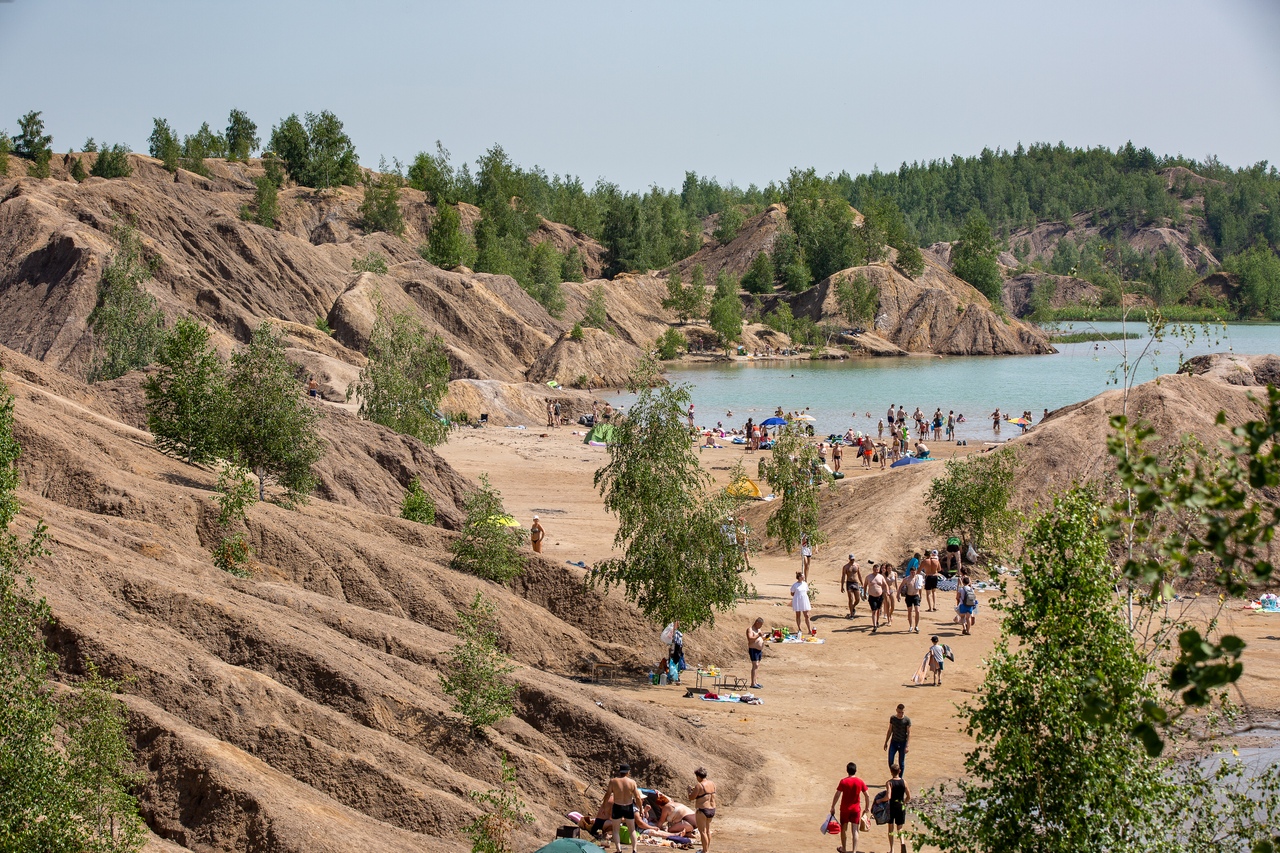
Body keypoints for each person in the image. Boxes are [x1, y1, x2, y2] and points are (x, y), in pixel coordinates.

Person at [830, 762, 869, 853]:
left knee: (844, 829)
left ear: (847, 771)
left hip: (844, 809)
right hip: (855, 809)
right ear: (856, 770)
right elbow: (867, 795)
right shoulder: (860, 781)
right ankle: (854, 851)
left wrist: (833, 806)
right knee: (855, 830)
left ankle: (844, 848)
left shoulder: (843, 781)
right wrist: (867, 807)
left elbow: (837, 795)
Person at [604, 764, 642, 853]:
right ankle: (634, 850)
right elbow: (638, 797)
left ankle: (618, 850)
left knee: (616, 829)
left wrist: (605, 806)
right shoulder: (632, 782)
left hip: (617, 806)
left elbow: (608, 794)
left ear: (620, 772)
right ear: (628, 772)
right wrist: (641, 809)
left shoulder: (613, 781)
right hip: (628, 806)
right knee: (631, 829)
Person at [884, 763, 912, 853]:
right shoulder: (904, 782)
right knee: (900, 827)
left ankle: (892, 850)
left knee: (890, 828)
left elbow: (888, 796)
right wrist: (903, 803)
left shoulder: (889, 783)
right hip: (900, 806)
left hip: (891, 807)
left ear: (891, 772)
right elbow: (908, 796)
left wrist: (880, 800)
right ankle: (902, 842)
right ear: (899, 771)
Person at [688, 768, 716, 853]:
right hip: (712, 809)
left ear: (698, 776)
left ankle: (704, 851)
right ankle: (706, 849)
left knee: (703, 832)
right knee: (707, 831)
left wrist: (689, 790)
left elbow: (691, 797)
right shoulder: (712, 783)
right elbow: (705, 794)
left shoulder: (699, 785)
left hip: (703, 810)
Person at [883, 704, 911, 775]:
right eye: (899, 712)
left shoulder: (907, 720)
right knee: (890, 760)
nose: (900, 714)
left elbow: (909, 733)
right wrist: (886, 742)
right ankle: (894, 775)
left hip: (902, 743)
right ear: (896, 710)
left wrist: (907, 746)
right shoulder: (893, 718)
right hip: (894, 742)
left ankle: (900, 778)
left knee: (901, 762)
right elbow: (890, 730)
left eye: (902, 712)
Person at [865, 563, 887, 634]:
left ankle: (877, 621)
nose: (876, 570)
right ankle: (874, 625)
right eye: (875, 569)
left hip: (880, 596)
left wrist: (887, 591)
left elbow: (885, 585)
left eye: (877, 569)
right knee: (874, 610)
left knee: (878, 610)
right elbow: (865, 585)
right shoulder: (868, 577)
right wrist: (864, 593)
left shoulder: (881, 577)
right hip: (872, 596)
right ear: (873, 569)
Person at [790, 572, 813, 636]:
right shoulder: (795, 585)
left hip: (804, 600)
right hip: (797, 600)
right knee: (798, 614)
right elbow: (792, 593)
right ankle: (799, 628)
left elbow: (806, 591)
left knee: (807, 615)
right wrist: (797, 596)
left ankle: (809, 629)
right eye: (802, 576)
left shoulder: (805, 584)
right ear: (799, 577)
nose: (803, 577)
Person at [841, 554, 863, 618]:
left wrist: (862, 583)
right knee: (851, 599)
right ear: (849, 559)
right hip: (849, 583)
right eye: (851, 559)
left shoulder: (857, 565)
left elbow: (859, 574)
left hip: (856, 583)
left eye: (853, 559)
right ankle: (851, 614)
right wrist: (842, 586)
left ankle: (852, 607)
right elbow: (843, 576)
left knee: (858, 599)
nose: (852, 560)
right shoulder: (846, 567)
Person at [747, 617, 766, 688]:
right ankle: (752, 683)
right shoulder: (750, 629)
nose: (761, 626)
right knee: (755, 665)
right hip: (753, 649)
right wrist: (758, 635)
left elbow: (760, 638)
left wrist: (764, 637)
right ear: (757, 622)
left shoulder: (758, 630)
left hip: (759, 650)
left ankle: (755, 681)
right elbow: (750, 639)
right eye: (760, 624)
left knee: (757, 666)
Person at [904, 568, 924, 633]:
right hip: (909, 596)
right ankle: (910, 626)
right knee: (909, 611)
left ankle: (916, 626)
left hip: (916, 596)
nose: (913, 573)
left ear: (916, 572)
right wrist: (898, 594)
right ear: (910, 572)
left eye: (914, 572)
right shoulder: (907, 579)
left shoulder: (918, 578)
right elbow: (901, 586)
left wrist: (921, 595)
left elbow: (920, 587)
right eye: (911, 572)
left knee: (917, 611)